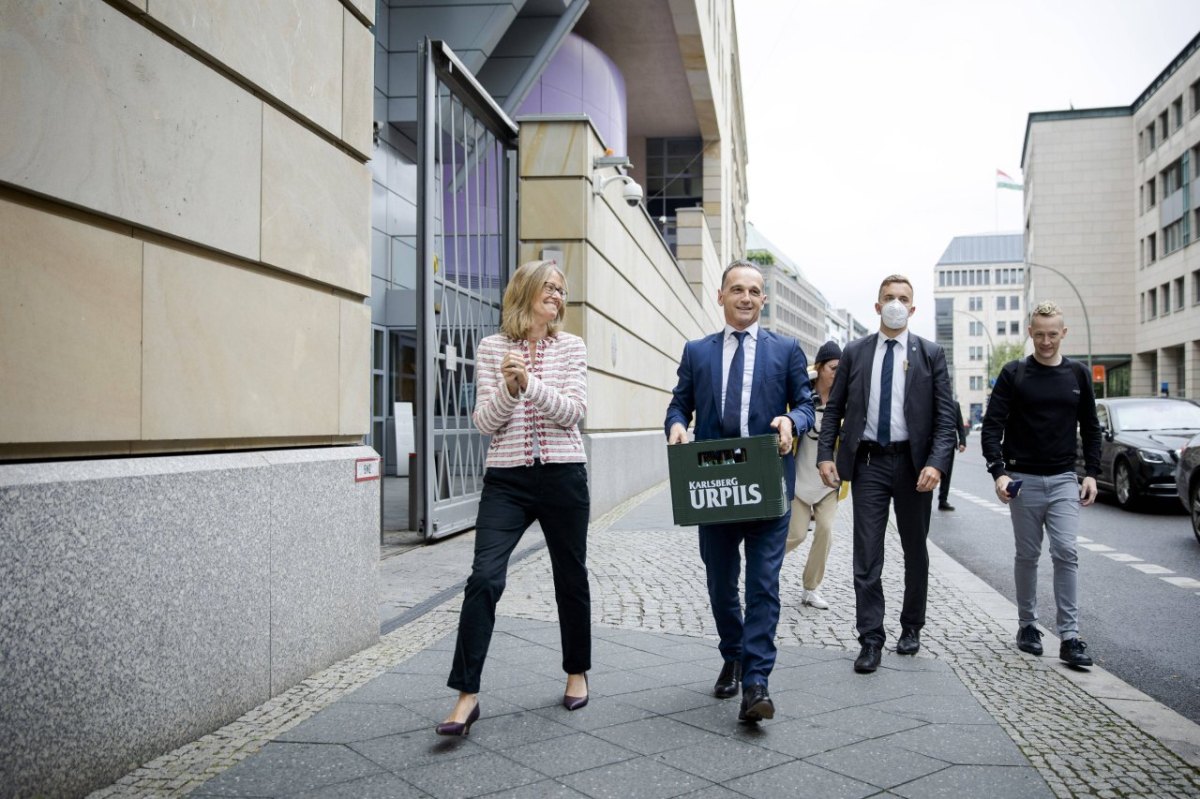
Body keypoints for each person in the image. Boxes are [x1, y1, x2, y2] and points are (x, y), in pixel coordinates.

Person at [438, 260, 591, 736]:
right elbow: (485, 422)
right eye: (549, 287)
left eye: (562, 290)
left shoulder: (572, 347)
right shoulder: (491, 348)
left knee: (571, 576)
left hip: (564, 474)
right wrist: (507, 387)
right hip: (507, 480)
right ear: (525, 291)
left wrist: (531, 384)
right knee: (484, 577)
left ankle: (576, 670)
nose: (558, 296)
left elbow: (573, 413)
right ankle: (466, 696)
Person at [665, 259, 814, 724]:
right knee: (721, 581)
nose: (746, 297)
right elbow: (679, 403)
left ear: (763, 299)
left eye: (754, 290)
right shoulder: (697, 351)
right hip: (714, 483)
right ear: (721, 295)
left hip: (768, 481)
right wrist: (675, 427)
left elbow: (807, 404)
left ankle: (756, 683)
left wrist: (793, 421)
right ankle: (733, 654)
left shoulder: (786, 349)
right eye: (737, 290)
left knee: (763, 584)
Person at [817, 274, 957, 674]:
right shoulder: (856, 352)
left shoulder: (931, 354)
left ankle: (911, 626)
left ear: (913, 309)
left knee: (916, 551)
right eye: (888, 297)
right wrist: (826, 454)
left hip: (915, 467)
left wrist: (936, 462)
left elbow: (945, 419)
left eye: (903, 298)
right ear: (877, 306)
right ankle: (870, 638)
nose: (896, 303)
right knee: (867, 554)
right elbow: (835, 410)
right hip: (869, 464)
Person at [980, 301, 1100, 668]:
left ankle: (1070, 636)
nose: (1046, 341)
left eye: (1053, 334)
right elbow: (992, 427)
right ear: (1030, 333)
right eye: (1040, 334)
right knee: (1028, 556)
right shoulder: (1014, 373)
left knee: (1066, 552)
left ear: (1063, 333)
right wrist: (999, 472)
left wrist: (1091, 472)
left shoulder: (1078, 375)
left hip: (1064, 478)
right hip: (1022, 480)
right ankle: (1028, 626)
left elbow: (1091, 428)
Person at [786, 340, 842, 611]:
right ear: (819, 368)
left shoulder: (846, 401)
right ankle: (761, 569)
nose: (837, 373)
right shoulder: (800, 398)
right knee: (795, 534)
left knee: (826, 530)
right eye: (833, 368)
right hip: (799, 479)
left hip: (829, 484)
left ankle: (811, 588)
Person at [937, 401, 969, 511]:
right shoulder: (933, 401)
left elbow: (960, 425)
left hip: (950, 445)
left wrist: (962, 442)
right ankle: (924, 501)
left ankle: (943, 501)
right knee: (929, 472)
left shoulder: (955, 404)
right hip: (932, 444)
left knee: (947, 474)